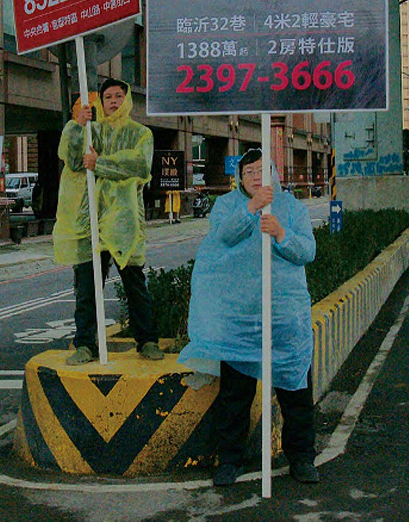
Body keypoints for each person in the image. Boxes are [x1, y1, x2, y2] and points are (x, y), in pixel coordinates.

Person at [178, 148, 319, 487]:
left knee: (295, 393)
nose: (257, 176)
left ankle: (301, 457)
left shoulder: (294, 209)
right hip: (238, 321)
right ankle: (229, 460)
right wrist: (251, 209)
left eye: (262, 169)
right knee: (235, 396)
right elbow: (224, 236)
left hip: (285, 319)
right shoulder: (227, 205)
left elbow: (307, 252)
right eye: (249, 172)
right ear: (240, 178)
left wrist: (282, 234)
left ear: (274, 172)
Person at [53, 78, 164, 365]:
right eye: (108, 97)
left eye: (118, 96)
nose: (113, 101)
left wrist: (101, 164)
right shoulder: (93, 132)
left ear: (127, 100)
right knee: (87, 287)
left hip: (125, 222)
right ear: (100, 102)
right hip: (92, 221)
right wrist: (78, 125)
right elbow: (74, 160)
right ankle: (85, 344)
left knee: (135, 285)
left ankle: (147, 341)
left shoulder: (141, 134)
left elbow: (139, 164)